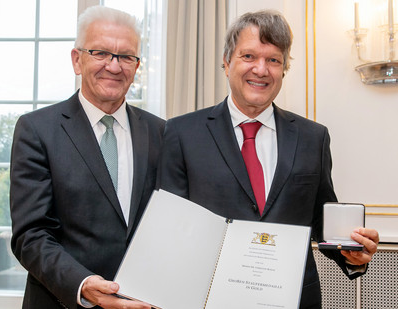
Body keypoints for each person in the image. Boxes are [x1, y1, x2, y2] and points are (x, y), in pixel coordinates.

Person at [159, 10, 379, 308]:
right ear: (226, 62)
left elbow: (320, 220)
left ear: (284, 69)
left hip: (295, 299)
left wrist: (352, 253)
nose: (261, 70)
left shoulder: (313, 137)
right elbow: (171, 227)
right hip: (209, 298)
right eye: (248, 56)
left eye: (273, 60)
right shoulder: (182, 132)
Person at [10, 6, 163, 309]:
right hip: (63, 301)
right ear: (77, 60)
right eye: (101, 52)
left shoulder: (161, 132)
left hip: (142, 303)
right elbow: (31, 234)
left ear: (137, 66)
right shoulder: (37, 130)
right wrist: (81, 284)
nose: (114, 66)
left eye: (126, 56)